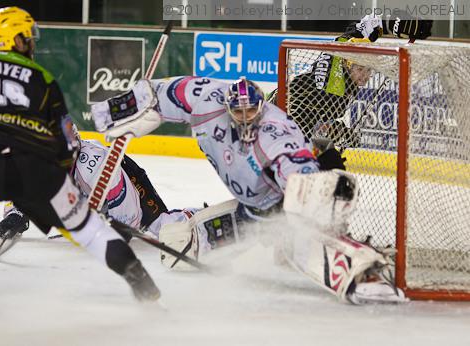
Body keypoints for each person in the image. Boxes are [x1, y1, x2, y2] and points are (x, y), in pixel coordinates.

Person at [91, 76, 406, 304]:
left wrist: (309, 206)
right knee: (180, 244)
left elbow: (298, 174)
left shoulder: (275, 132)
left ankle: (361, 267)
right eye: (238, 112)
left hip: (277, 207)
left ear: (261, 108)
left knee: (298, 235)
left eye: (251, 112)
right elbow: (159, 93)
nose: (245, 119)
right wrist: (118, 111)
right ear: (227, 106)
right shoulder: (207, 100)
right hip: (248, 211)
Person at [0, 7, 159, 304]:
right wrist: (59, 191)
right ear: (16, 40)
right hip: (37, 169)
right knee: (90, 230)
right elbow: (65, 144)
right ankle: (142, 283)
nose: (32, 43)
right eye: (27, 37)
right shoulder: (42, 78)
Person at [267, 14, 433, 152]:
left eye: (369, 70)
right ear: (349, 65)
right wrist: (341, 134)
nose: (365, 76)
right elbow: (310, 126)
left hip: (285, 113)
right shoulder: (332, 92)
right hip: (274, 120)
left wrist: (395, 24)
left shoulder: (343, 51)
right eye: (361, 69)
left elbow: (366, 24)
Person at [0, 137, 196, 242]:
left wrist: (119, 229)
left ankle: (202, 220)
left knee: (164, 228)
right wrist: (15, 214)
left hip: (123, 176)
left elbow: (130, 218)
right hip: (91, 197)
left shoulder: (95, 165)